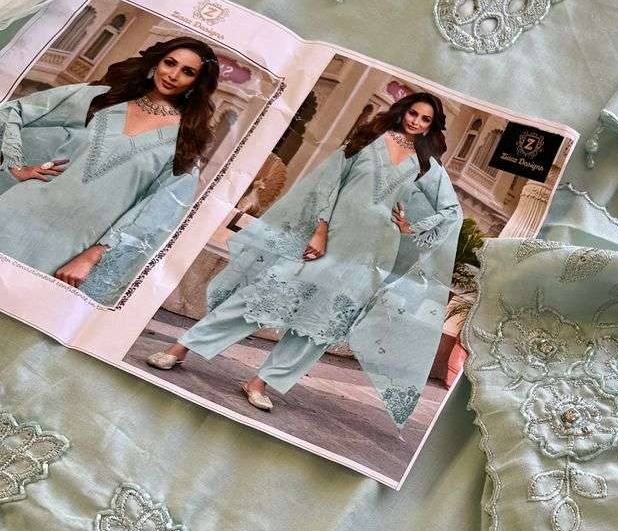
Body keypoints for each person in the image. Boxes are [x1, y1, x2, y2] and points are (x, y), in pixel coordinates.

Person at [147, 90, 462, 423]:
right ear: (402, 111)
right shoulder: (369, 138)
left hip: (370, 258)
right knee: (260, 299)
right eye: (413, 113)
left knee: (318, 327)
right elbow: (329, 183)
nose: (416, 122)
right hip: (331, 240)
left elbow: (451, 211)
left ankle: (260, 383)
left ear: (431, 127)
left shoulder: (425, 165)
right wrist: (320, 230)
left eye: (425, 119)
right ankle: (181, 348)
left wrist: (411, 226)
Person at [0, 36, 219, 302]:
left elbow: (155, 213)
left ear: (197, 83)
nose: (173, 75)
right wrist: (14, 164)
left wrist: (92, 256)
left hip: (72, 248)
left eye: (188, 72)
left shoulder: (186, 141)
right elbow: (13, 111)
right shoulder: (103, 98)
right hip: (15, 216)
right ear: (156, 63)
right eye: (170, 63)